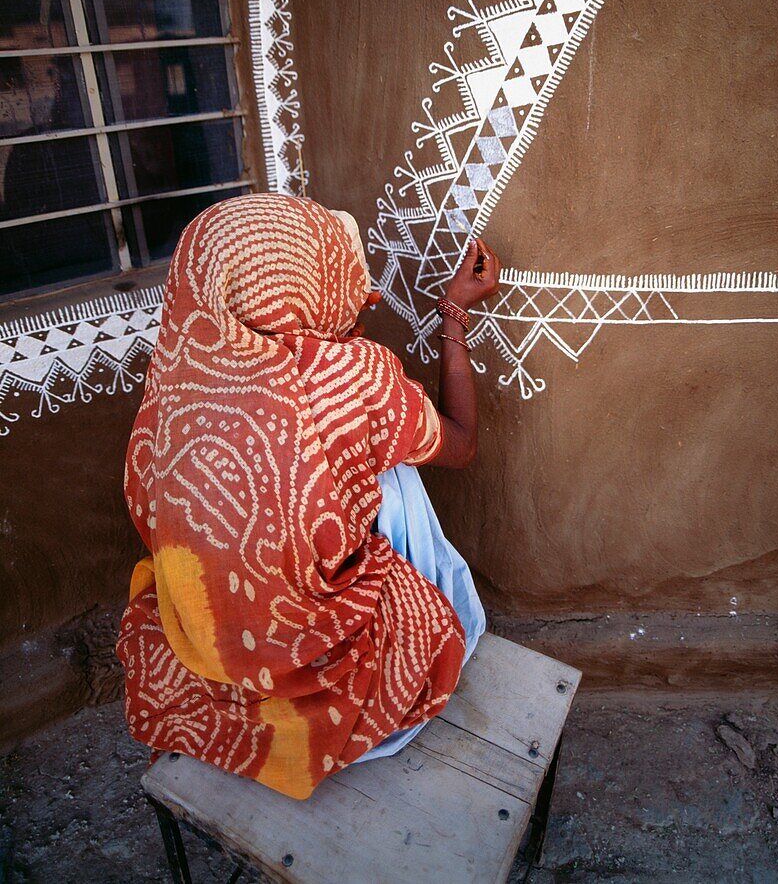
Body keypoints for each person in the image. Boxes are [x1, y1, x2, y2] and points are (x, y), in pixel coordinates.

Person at [116, 194, 502, 799]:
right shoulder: (348, 375)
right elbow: (460, 443)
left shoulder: (175, 380)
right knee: (395, 466)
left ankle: (251, 684)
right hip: (319, 655)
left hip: (210, 644)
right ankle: (329, 689)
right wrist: (453, 315)